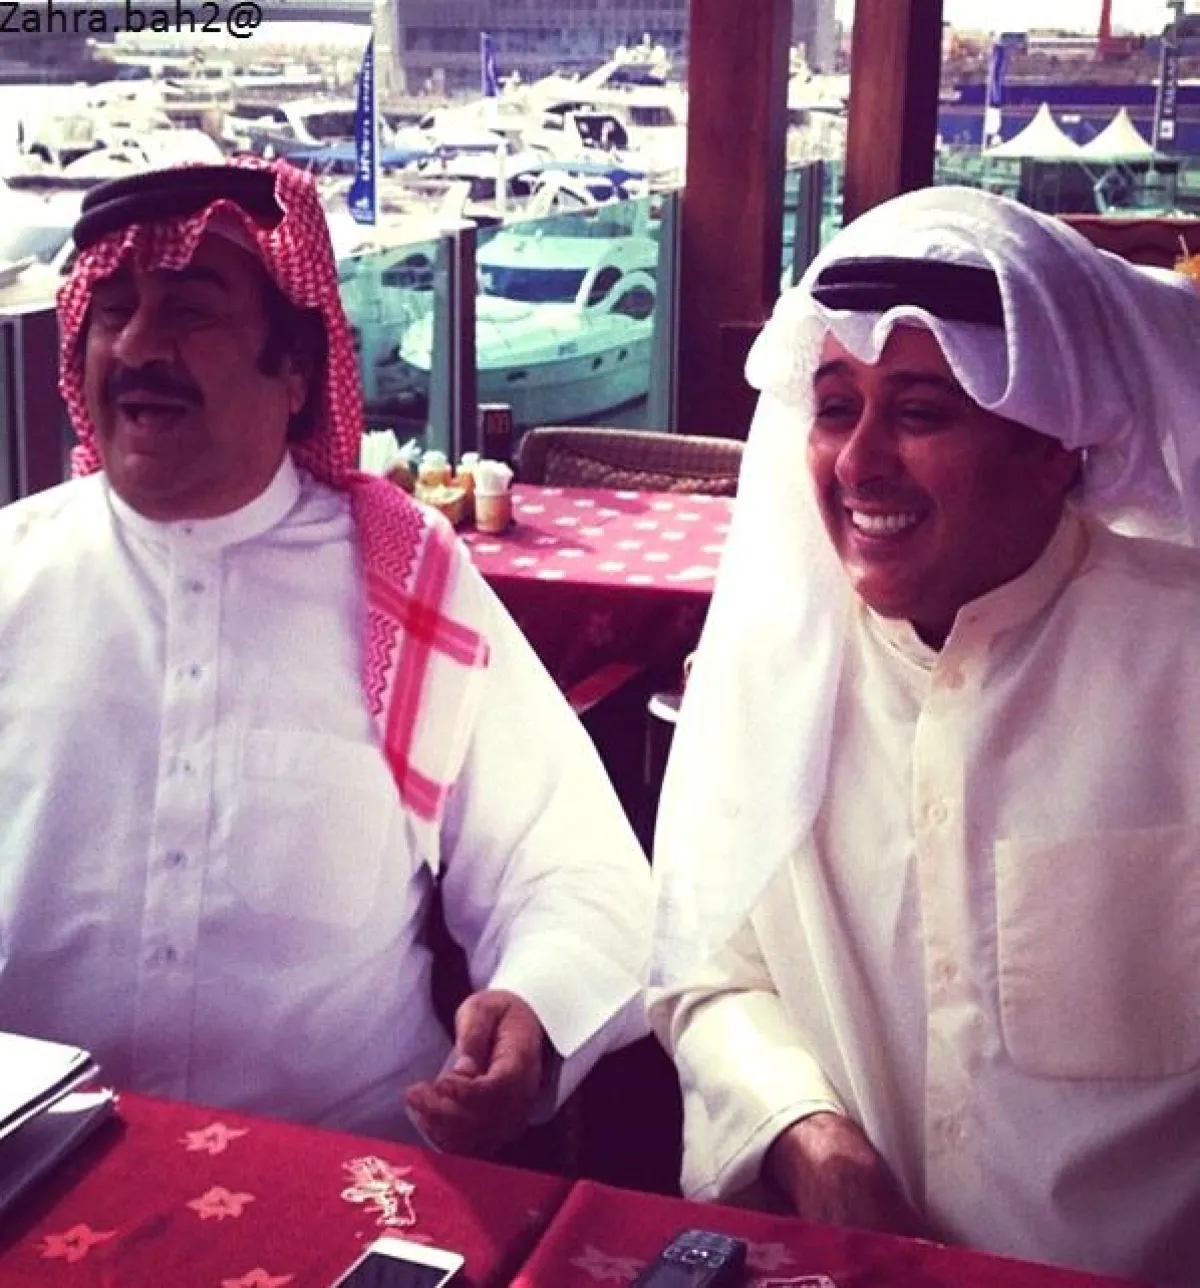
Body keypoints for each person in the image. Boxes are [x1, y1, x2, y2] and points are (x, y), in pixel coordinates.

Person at [0, 159, 652, 1158]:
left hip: (347, 1165)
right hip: (35, 1170)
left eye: (191, 310)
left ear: (296, 368)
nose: (136, 347)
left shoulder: (403, 579)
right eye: (113, 311)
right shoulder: (12, 572)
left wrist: (533, 1003)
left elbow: (568, 865)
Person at [648, 185, 1200, 1284]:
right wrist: (804, 1129)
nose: (858, 463)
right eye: (834, 407)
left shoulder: (1179, 661)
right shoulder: (773, 663)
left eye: (919, 411)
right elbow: (702, 968)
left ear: (1056, 444)